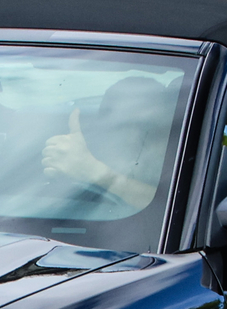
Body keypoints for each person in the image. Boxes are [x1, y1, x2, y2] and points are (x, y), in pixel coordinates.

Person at [40, 76, 176, 212]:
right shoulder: (80, 153)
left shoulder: (183, 162)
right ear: (103, 125)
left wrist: (95, 171)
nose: (133, 137)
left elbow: (171, 207)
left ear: (169, 127)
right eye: (122, 126)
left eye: (146, 126)